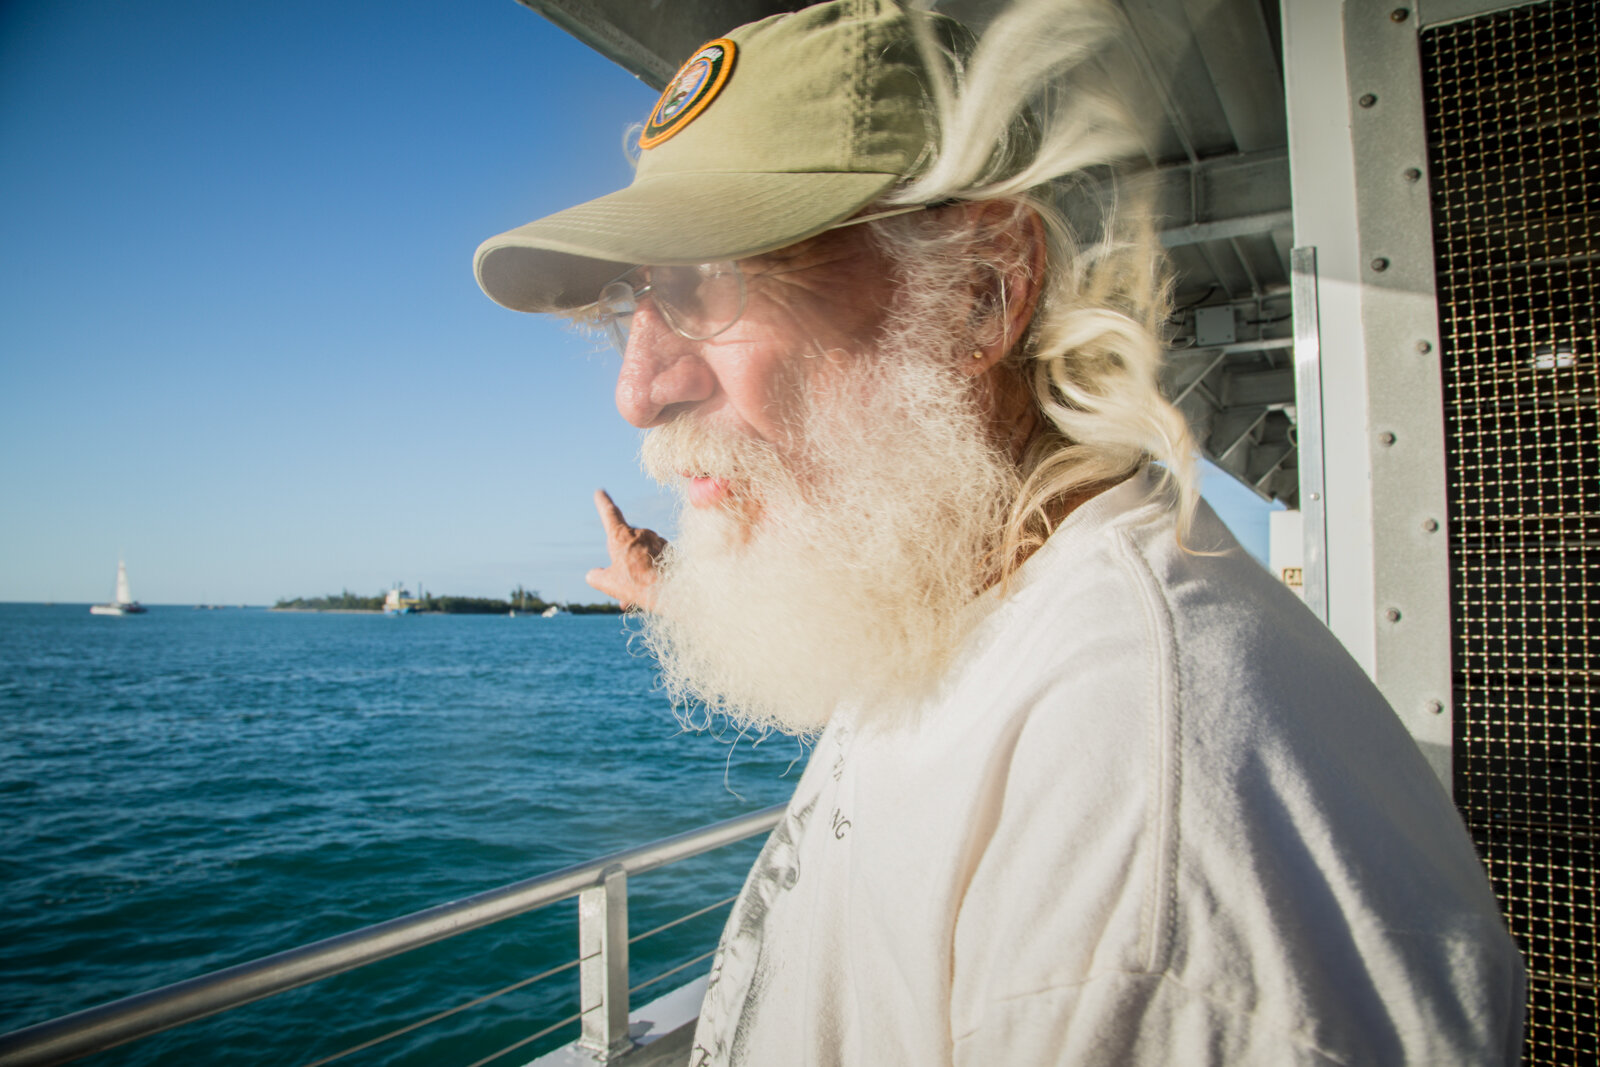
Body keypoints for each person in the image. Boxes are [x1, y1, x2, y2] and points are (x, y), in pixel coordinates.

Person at [474, 1, 1526, 1063]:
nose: (636, 389)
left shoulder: (1138, 823)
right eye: (634, 301)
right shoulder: (962, 600)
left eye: (706, 283)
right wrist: (680, 585)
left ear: (979, 294)